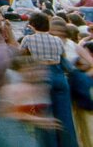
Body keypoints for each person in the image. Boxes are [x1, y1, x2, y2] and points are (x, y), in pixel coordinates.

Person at [19, 12, 78, 147]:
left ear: (32, 25)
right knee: (64, 117)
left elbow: (20, 58)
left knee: (44, 117)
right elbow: (63, 57)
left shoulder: (28, 39)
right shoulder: (57, 40)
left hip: (41, 76)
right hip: (58, 75)